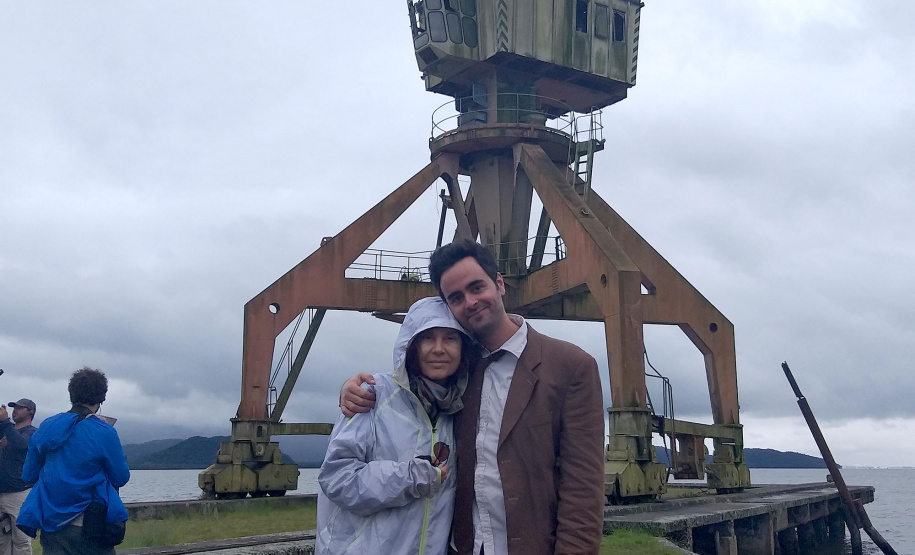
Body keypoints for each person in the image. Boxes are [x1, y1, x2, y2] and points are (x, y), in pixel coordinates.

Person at [341, 239, 606, 554]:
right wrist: (359, 388)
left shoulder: (570, 367)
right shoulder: (456, 372)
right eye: (456, 298)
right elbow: (407, 389)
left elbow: (582, 492)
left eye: (477, 287)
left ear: (499, 284)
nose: (470, 302)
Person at [317, 297, 477, 555]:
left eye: (450, 338)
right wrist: (409, 477)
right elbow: (337, 477)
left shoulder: (461, 409)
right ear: (410, 346)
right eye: (427, 338)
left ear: (464, 347)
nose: (438, 349)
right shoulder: (373, 394)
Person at [17, 367, 129, 555]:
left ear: (71, 394)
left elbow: (28, 475)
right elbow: (121, 477)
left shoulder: (46, 427)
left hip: (51, 524)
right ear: (101, 398)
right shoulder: (104, 431)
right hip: (91, 524)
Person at [0, 399, 37, 555]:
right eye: (14, 408)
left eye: (20, 408)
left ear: (31, 412)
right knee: (2, 540)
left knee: (21, 540)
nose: (15, 410)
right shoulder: (7, 430)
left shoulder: (33, 432)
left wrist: (5, 421)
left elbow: (22, 444)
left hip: (19, 493)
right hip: (2, 491)